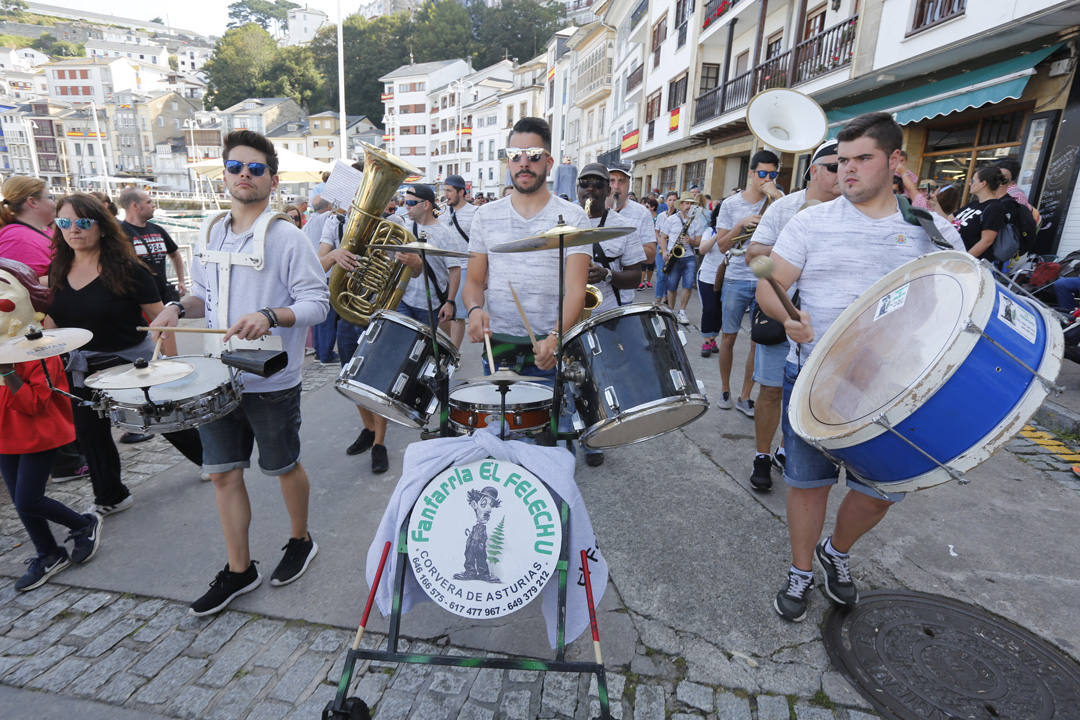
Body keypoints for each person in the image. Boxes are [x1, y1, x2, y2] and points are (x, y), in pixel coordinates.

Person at [754, 112, 962, 622]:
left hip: (894, 385)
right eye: (841, 161)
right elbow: (768, 287)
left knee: (880, 491)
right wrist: (788, 317)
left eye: (861, 159)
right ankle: (801, 570)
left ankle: (836, 552)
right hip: (813, 376)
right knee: (807, 484)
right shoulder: (811, 221)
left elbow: (960, 291)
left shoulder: (927, 229)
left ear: (894, 161)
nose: (848, 170)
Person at [151, 130, 329, 616]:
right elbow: (202, 298)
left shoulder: (288, 236)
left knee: (282, 466)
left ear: (272, 179)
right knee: (223, 475)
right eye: (235, 167)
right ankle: (238, 569)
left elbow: (317, 303)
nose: (244, 175)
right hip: (214, 377)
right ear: (224, 175)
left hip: (270, 380)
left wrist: (271, 316)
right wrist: (173, 307)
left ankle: (300, 539)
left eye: (255, 168)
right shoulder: (210, 231)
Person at [44, 193, 203, 510]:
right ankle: (110, 496)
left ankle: (212, 460)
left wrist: (170, 364)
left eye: (82, 222)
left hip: (132, 362)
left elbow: (161, 320)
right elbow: (53, 322)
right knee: (91, 435)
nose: (73, 229)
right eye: (64, 222)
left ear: (101, 226)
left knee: (162, 418)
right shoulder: (57, 270)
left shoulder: (129, 269)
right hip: (82, 367)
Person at [463, 117, 590, 442]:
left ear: (548, 162)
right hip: (500, 347)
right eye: (515, 155)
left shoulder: (574, 218)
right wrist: (475, 310)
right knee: (503, 443)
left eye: (533, 155)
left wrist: (555, 337)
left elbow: (577, 289)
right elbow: (475, 282)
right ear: (508, 161)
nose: (524, 163)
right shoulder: (485, 216)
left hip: (551, 348)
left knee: (550, 447)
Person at [743, 139, 841, 492]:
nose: (841, 172)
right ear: (813, 170)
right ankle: (762, 454)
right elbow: (752, 255)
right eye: (833, 165)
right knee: (770, 390)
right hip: (779, 310)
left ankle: (788, 449)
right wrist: (792, 241)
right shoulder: (785, 208)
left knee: (810, 395)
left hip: (824, 324)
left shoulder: (853, 210)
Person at [1, 258, 102, 591]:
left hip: (38, 433)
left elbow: (32, 404)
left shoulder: (41, 348)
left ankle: (83, 523)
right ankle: (48, 552)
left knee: (29, 498)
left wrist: (6, 371)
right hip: (5, 436)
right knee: (20, 499)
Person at [576, 163, 645, 468]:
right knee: (569, 375)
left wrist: (606, 273)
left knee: (599, 376)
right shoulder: (562, 220)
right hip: (568, 311)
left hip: (606, 312)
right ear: (578, 188)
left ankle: (593, 434)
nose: (590, 189)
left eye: (597, 185)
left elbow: (636, 276)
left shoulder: (621, 225)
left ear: (607, 190)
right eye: (585, 184)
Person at [317, 206, 393, 475]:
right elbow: (318, 264)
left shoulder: (391, 225)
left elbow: (412, 271)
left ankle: (380, 443)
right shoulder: (335, 224)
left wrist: (414, 263)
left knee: (376, 381)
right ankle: (368, 428)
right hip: (348, 310)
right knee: (351, 377)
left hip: (380, 311)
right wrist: (335, 255)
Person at [713, 150, 784, 415]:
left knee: (758, 340)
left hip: (766, 279)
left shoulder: (780, 201)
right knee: (728, 337)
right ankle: (724, 389)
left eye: (773, 174)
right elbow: (721, 246)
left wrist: (777, 201)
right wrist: (740, 226)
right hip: (736, 279)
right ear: (751, 173)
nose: (767, 179)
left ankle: (745, 395)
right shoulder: (731, 205)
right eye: (762, 174)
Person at [118, 187, 187, 381]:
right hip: (138, 300)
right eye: (148, 202)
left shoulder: (157, 229)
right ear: (135, 206)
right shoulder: (120, 234)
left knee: (167, 336)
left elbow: (174, 253)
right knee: (152, 340)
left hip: (162, 294)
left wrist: (181, 279)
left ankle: (174, 372)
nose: (153, 205)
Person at [439, 174, 475, 348]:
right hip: (443, 267)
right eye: (445, 190)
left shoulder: (474, 212)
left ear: (461, 192)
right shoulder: (442, 212)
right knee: (439, 314)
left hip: (463, 267)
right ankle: (452, 343)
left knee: (456, 314)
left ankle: (454, 352)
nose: (446, 194)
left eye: (449, 190)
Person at [607, 166, 657, 291]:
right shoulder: (594, 208)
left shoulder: (642, 213)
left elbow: (651, 256)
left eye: (622, 181)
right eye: (611, 181)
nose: (616, 186)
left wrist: (623, 245)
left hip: (625, 290)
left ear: (629, 186)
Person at [657, 193, 703, 325]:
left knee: (688, 285)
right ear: (681, 205)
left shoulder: (697, 220)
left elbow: (699, 242)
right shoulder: (671, 219)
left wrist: (691, 241)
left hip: (689, 257)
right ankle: (671, 311)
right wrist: (664, 251)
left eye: (691, 203)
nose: (689, 206)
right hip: (673, 257)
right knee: (671, 286)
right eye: (687, 203)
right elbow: (663, 237)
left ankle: (682, 311)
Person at [0, 176, 56, 278]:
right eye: (50, 197)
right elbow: (24, 285)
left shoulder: (42, 230)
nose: (55, 203)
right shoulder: (18, 239)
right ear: (33, 202)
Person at [954, 166, 1007, 260]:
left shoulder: (994, 208)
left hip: (970, 265)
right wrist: (935, 204)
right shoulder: (973, 204)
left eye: (973, 181)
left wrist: (963, 260)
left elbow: (986, 241)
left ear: (983, 184)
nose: (970, 184)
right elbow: (947, 220)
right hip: (955, 258)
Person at [695, 204, 725, 358]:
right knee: (709, 309)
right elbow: (702, 250)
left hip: (726, 278)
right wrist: (716, 235)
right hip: (707, 276)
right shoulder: (709, 231)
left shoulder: (735, 232)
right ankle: (706, 341)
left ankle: (713, 338)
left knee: (720, 310)